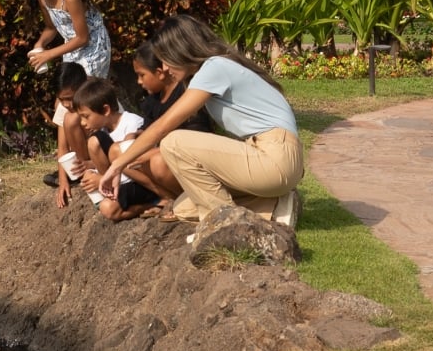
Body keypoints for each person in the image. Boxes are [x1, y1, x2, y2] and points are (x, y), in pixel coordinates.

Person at [98, 15, 303, 227]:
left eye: (166, 59)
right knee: (183, 208)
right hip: (272, 158)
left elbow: (162, 126)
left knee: (173, 143)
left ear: (181, 50)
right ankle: (275, 204)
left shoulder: (215, 67)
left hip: (275, 157)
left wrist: (117, 165)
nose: (165, 68)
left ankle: (223, 224)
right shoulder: (219, 65)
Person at [122, 40, 214, 217]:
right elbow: (149, 129)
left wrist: (151, 152)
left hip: (190, 158)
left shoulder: (186, 93)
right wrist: (133, 136)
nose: (139, 82)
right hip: (166, 155)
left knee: (156, 162)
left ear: (160, 73)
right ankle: (169, 197)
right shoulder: (152, 101)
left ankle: (192, 199)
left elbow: (196, 136)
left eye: (141, 75)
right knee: (118, 152)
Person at [20, 0, 111, 80]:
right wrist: (40, 44)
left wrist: (48, 54)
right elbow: (51, 28)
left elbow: (82, 38)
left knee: (84, 89)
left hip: (93, 48)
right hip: (72, 48)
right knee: (68, 88)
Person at [71, 78, 152, 222]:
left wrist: (100, 179)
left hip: (141, 182)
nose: (82, 123)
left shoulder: (133, 123)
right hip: (121, 182)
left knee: (94, 142)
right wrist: (90, 169)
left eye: (86, 116)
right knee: (108, 209)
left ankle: (155, 202)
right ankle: (115, 193)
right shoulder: (104, 130)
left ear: (106, 110)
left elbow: (135, 165)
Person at [45, 62, 94, 208]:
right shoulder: (64, 107)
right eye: (61, 99)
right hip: (87, 157)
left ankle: (90, 168)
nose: (66, 104)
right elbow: (63, 147)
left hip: (106, 152)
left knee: (72, 119)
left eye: (69, 98)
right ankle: (82, 172)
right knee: (70, 119)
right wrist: (63, 181)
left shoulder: (96, 96)